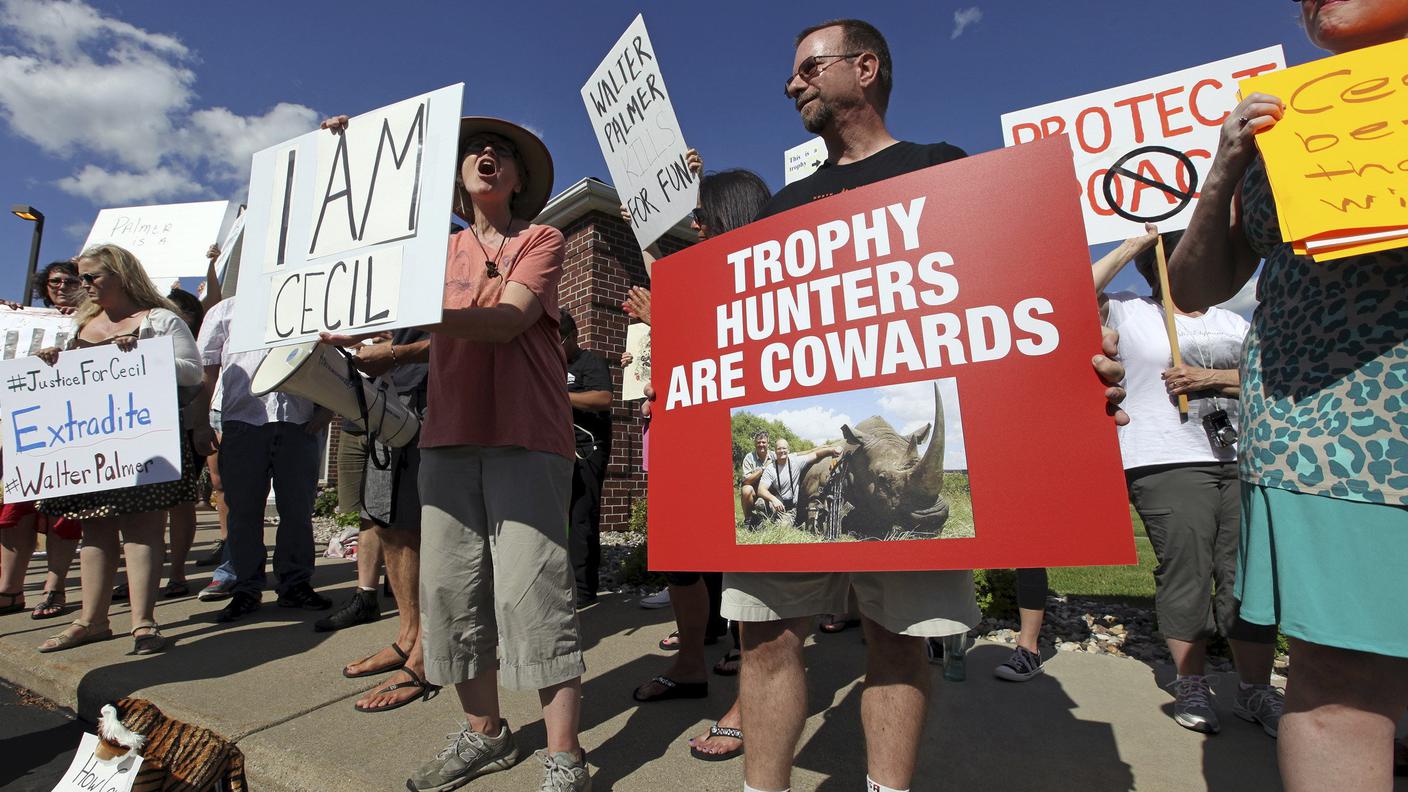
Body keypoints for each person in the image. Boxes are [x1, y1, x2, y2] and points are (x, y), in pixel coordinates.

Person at [723, 20, 1129, 792]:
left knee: (899, 639)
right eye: (792, 73)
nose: (791, 83)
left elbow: (1005, 315)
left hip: (892, 464)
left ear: (865, 68)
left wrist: (1071, 379)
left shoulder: (944, 170)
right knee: (766, 639)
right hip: (827, 427)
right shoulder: (781, 210)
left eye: (809, 67)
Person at [1169, 2, 1408, 786]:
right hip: (1332, 432)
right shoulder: (1285, 117)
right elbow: (1196, 286)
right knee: (1339, 684)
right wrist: (1225, 170)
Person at [322, 113, 590, 791]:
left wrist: (416, 318)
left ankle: (565, 755)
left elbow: (507, 319)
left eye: (501, 151)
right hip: (447, 438)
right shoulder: (434, 255)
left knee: (534, 594)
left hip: (528, 437)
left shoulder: (544, 238)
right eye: (474, 149)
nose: (487, 155)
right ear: (455, 176)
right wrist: (353, 158)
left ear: (520, 177)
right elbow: (370, 234)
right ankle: (485, 734)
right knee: (450, 592)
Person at [1096, 227, 1281, 735]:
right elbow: (1074, 294)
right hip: (1166, 457)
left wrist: (1211, 380)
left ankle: (1254, 690)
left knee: (1246, 575)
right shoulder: (1129, 312)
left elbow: (1267, 377)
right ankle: (1192, 682)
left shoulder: (1231, 320)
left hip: (1243, 457)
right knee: (1188, 569)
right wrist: (1134, 244)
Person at [33, 244, 208, 654]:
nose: (84, 285)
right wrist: (53, 361)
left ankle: (142, 623)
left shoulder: (160, 320)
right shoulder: (83, 324)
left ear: (121, 276)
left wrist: (144, 354)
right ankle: (90, 620)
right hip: (93, 442)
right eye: (81, 277)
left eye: (92, 277)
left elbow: (193, 370)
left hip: (145, 441)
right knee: (95, 528)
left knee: (143, 529)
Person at [194, 295, 333, 623]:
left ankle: (295, 583)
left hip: (300, 420)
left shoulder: (311, 297)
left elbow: (331, 355)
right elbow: (206, 370)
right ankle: (246, 587)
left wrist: (327, 407)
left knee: (297, 509)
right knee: (243, 512)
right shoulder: (226, 310)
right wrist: (201, 422)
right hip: (243, 421)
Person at [323, 329, 435, 714]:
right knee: (390, 522)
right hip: (389, 395)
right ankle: (407, 637)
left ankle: (426, 652)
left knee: (429, 527)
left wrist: (396, 352)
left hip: (435, 391)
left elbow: (468, 331)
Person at [0, 260, 85, 620]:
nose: (61, 287)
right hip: (22, 428)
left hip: (72, 427)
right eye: (54, 282)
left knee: (63, 515)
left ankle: (55, 588)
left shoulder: (95, 320)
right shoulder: (30, 321)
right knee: (14, 511)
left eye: (70, 281)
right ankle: (10, 589)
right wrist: (14, 318)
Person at [562, 310, 612, 607]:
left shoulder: (590, 362)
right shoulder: (547, 363)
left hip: (587, 449)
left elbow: (604, 399)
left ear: (573, 337)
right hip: (555, 449)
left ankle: (583, 589)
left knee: (582, 516)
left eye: (559, 341)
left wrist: (561, 395)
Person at [160, 287, 206, 598]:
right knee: (143, 509)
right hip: (148, 426)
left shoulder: (192, 338)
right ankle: (148, 571)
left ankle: (176, 571)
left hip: (184, 425)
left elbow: (199, 378)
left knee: (180, 501)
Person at [756, 439, 838, 523]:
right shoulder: (770, 468)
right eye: (779, 449)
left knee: (781, 527)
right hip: (776, 503)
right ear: (775, 451)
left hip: (790, 509)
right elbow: (761, 490)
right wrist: (773, 499)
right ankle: (762, 521)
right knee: (760, 503)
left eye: (784, 448)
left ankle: (772, 522)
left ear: (788, 450)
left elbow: (816, 454)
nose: (782, 451)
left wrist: (832, 450)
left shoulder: (796, 462)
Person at [738, 432, 772, 523]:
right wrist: (763, 469)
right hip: (754, 492)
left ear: (768, 444)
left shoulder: (774, 456)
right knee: (746, 490)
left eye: (764, 442)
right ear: (755, 444)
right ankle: (748, 520)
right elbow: (746, 481)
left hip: (770, 492)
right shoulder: (749, 457)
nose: (761, 444)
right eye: (759, 442)